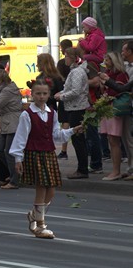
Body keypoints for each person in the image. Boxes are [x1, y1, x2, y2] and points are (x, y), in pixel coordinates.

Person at [10, 79, 82, 238]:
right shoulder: (27, 114)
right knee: (41, 188)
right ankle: (40, 225)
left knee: (51, 190)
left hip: (48, 154)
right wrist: (18, 159)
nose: (41, 96)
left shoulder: (52, 113)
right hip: (35, 154)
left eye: (44, 93)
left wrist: (72, 130)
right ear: (32, 95)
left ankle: (34, 215)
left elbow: (56, 135)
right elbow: (21, 137)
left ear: (49, 95)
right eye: (38, 93)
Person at [54, 47, 90, 179]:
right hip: (75, 107)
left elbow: (75, 91)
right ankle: (82, 168)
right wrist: (62, 93)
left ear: (74, 58)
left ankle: (82, 169)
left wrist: (61, 96)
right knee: (78, 139)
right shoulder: (76, 71)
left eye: (66, 56)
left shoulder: (76, 72)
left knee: (78, 139)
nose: (65, 59)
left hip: (76, 108)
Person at [100, 40, 133, 180]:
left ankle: (121, 170)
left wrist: (107, 81)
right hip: (119, 108)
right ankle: (130, 168)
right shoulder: (126, 68)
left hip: (122, 107)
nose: (122, 53)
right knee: (125, 139)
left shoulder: (121, 73)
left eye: (124, 50)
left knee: (126, 139)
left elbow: (122, 89)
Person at [0, 69, 23, 190]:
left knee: (9, 152)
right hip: (7, 123)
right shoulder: (8, 88)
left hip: (12, 122)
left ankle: (14, 180)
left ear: (0, 80)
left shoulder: (8, 90)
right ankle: (13, 173)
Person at [55, 40, 74, 159]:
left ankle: (64, 150)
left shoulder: (61, 63)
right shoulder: (79, 65)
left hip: (64, 94)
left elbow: (59, 77)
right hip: (74, 97)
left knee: (65, 122)